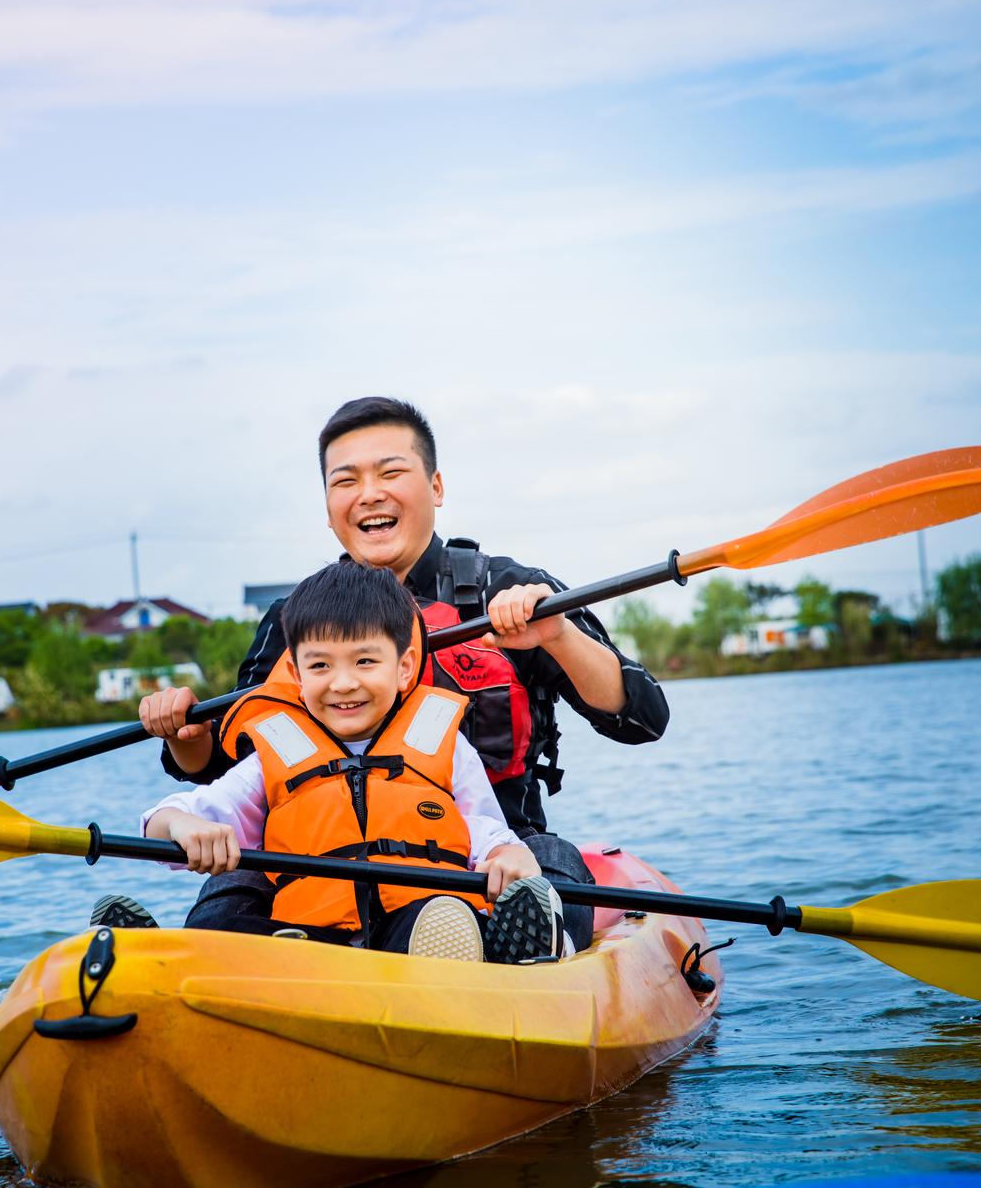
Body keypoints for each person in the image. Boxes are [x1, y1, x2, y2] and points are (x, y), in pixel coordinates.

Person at [141, 397, 670, 954]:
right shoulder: (296, 620)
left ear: (436, 487)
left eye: (391, 472)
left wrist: (557, 636)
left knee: (546, 871)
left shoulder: (509, 591)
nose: (369, 494)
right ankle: (194, 969)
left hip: (487, 849)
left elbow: (642, 721)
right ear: (327, 507)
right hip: (312, 861)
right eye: (346, 480)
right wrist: (187, 741)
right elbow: (234, 771)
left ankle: (500, 963)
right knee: (232, 881)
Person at [93, 559, 564, 963]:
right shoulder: (279, 750)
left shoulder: (442, 740)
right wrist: (179, 825)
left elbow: (483, 828)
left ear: (403, 668)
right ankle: (165, 967)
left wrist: (508, 855)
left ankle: (453, 968)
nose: (342, 683)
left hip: (413, 925)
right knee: (233, 918)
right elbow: (170, 818)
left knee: (439, 914)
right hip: (308, 933)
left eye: (364, 662)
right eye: (321, 666)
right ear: (295, 675)